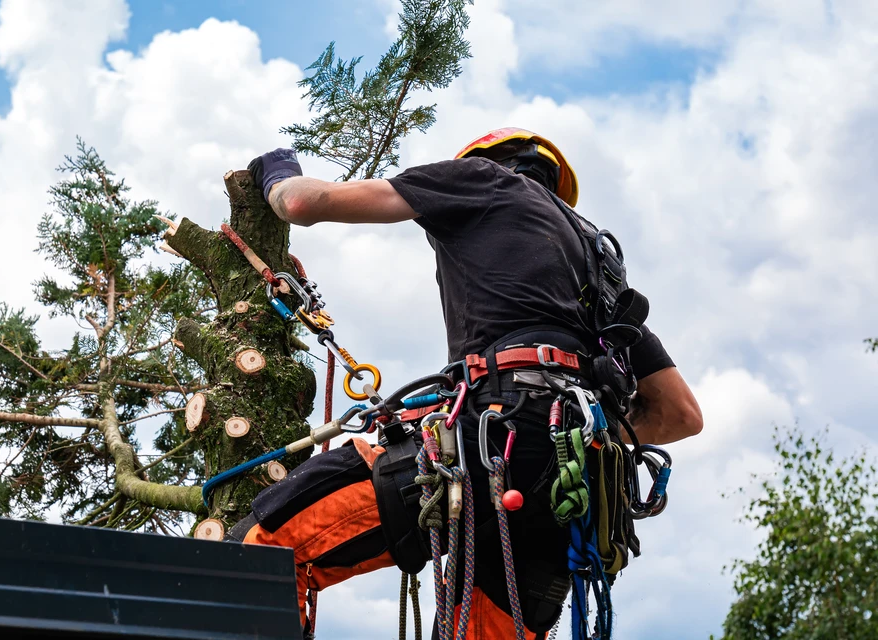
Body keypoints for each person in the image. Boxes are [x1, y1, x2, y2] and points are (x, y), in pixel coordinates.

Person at [228, 128, 703, 639]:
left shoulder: (480, 180)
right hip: (570, 493)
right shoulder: (604, 276)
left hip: (494, 437)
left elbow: (302, 202)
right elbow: (680, 414)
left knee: (258, 553)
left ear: (489, 163)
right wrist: (571, 432)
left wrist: (276, 172)